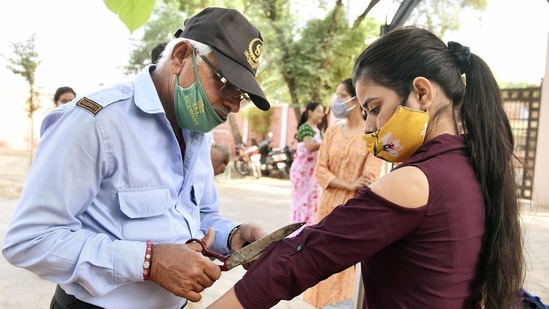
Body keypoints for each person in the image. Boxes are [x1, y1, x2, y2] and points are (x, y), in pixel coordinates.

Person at [206, 26, 524, 309]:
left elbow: (302, 259)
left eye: (374, 108)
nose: (370, 127)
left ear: (422, 93)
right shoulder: (476, 163)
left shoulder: (416, 181)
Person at [2, 7, 271, 309]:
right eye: (226, 84)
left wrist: (233, 236)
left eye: (241, 95)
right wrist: (148, 262)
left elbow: (196, 217)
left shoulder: (197, 131)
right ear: (181, 57)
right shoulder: (97, 123)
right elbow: (29, 239)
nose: (234, 105)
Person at [302, 79, 383, 308]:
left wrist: (352, 184)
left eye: (340, 95)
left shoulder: (371, 136)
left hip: (353, 212)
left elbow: (369, 179)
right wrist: (349, 184)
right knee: (321, 263)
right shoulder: (332, 132)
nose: (336, 101)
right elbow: (320, 171)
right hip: (327, 208)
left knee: (345, 271)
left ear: (356, 99)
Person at [151, 41, 230, 177]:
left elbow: (205, 197)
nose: (235, 106)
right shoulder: (110, 124)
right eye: (223, 82)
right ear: (179, 59)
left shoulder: (197, 126)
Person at [289, 102, 324, 226]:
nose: (322, 115)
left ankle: (309, 229)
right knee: (302, 202)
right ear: (310, 112)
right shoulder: (305, 128)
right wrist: (330, 141)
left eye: (323, 112)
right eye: (319, 111)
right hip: (302, 173)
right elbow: (309, 147)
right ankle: (298, 230)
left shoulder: (318, 131)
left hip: (313, 173)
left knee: (313, 201)